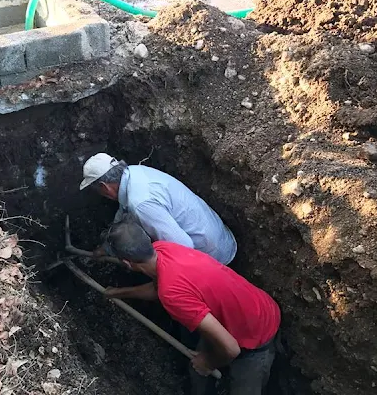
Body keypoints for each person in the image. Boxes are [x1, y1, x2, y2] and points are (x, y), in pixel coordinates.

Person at [104, 218, 280, 395]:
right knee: (197, 371)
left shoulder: (171, 293)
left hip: (258, 334)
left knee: (219, 372)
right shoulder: (163, 248)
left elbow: (230, 348)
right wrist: (120, 293)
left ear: (127, 263)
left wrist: (208, 363)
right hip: (254, 305)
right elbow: (159, 288)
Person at [79, 153, 237, 265]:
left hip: (212, 257)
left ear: (104, 187)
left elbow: (184, 248)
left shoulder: (141, 204)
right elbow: (124, 212)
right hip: (219, 234)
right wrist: (107, 247)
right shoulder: (134, 173)